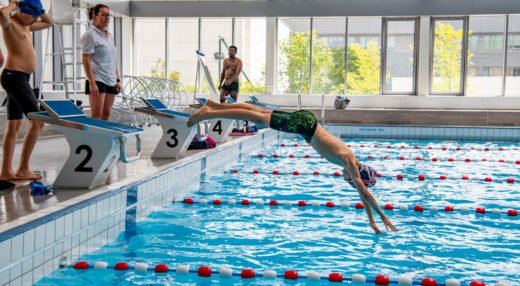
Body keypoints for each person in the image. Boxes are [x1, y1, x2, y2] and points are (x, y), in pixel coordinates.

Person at [187, 100, 398, 234]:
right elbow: (366, 195)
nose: (348, 181)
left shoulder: (351, 159)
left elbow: (362, 195)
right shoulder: (350, 163)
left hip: (307, 122)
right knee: (256, 116)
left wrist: (371, 221)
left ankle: (216, 106)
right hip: (304, 125)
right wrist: (382, 216)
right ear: (356, 177)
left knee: (259, 112)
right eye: (352, 182)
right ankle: (209, 113)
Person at [0, 0, 54, 181]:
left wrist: (39, 10)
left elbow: (50, 22)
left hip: (21, 78)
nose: (35, 20)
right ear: (22, 10)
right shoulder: (11, 24)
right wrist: (15, 5)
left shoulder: (27, 26)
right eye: (32, 16)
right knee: (38, 122)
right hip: (14, 77)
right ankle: (23, 168)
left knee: (14, 125)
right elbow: (1, 14)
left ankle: (6, 171)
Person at [81, 4, 120, 121]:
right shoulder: (90, 35)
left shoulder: (110, 36)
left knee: (106, 113)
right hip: (98, 79)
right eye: (103, 14)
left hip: (111, 80)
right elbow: (85, 59)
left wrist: (117, 79)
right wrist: (92, 82)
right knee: (96, 114)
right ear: (94, 16)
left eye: (108, 15)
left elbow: (113, 59)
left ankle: (102, 139)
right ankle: (92, 139)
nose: (107, 17)